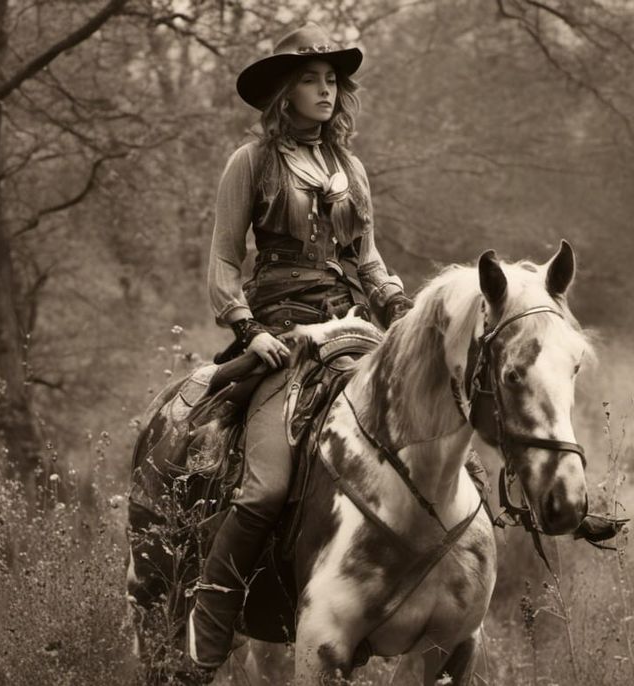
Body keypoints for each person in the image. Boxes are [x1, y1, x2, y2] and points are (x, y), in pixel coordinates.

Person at [187, 23, 413, 670]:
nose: (324, 90)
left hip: (351, 328)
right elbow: (223, 263)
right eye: (310, 79)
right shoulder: (250, 162)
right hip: (281, 338)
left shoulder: (351, 170)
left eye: (332, 80)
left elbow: (368, 259)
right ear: (285, 91)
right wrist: (248, 330)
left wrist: (398, 307)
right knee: (264, 490)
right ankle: (213, 610)